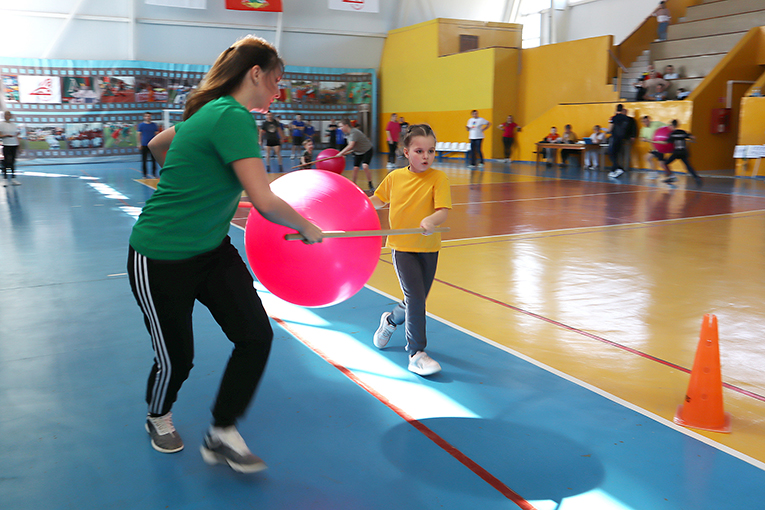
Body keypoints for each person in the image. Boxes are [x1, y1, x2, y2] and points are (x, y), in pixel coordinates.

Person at [127, 35, 323, 473]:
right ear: (256, 73)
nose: (278, 91)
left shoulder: (208, 113)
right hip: (160, 254)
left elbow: (159, 145)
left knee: (254, 335)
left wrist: (200, 187)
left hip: (212, 250)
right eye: (276, 81)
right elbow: (266, 201)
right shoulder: (232, 117)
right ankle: (157, 416)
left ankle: (223, 430)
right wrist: (308, 226)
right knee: (178, 357)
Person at [370, 124, 452, 376]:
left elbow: (443, 211)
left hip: (429, 248)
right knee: (416, 299)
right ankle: (417, 353)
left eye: (431, 151)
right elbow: (378, 200)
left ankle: (391, 320)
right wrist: (355, 205)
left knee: (414, 300)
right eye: (419, 151)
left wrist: (431, 221)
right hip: (402, 247)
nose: (425, 156)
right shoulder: (395, 178)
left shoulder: (439, 178)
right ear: (406, 152)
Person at [661, 119, 702, 186]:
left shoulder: (672, 134)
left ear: (672, 125)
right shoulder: (683, 132)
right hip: (683, 152)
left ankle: (671, 177)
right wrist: (692, 139)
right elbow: (692, 137)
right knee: (688, 166)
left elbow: (667, 142)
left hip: (676, 152)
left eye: (670, 125)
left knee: (665, 163)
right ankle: (696, 177)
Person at [337, 118, 374, 191]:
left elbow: (350, 145)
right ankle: (353, 185)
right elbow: (352, 146)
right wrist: (344, 154)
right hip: (358, 152)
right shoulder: (347, 134)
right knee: (355, 168)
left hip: (367, 150)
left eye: (341, 126)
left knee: (365, 166)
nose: (340, 128)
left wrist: (340, 153)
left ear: (346, 125)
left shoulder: (354, 132)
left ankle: (370, 184)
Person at [607, 104, 633, 178]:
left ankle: (618, 168)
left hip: (614, 137)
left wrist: (607, 131)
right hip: (621, 138)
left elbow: (610, 129)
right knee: (616, 154)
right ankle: (614, 170)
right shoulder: (626, 118)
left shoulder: (613, 118)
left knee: (611, 154)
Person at [0, 111, 21, 186]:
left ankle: (13, 179)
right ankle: (5, 179)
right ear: (4, 116)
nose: (8, 116)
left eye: (9, 115)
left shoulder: (14, 125)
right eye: (6, 115)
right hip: (6, 145)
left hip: (14, 145)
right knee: (5, 162)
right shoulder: (1, 124)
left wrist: (19, 146)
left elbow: (16, 136)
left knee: (13, 162)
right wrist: (6, 135)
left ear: (11, 116)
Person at [137, 112, 159, 178]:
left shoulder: (154, 125)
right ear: (144, 117)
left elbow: (157, 134)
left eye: (149, 116)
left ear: (150, 117)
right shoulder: (141, 125)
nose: (148, 117)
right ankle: (144, 175)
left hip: (152, 145)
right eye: (146, 116)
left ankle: (154, 174)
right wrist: (139, 143)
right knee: (144, 161)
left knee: (154, 161)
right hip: (144, 145)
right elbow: (138, 134)